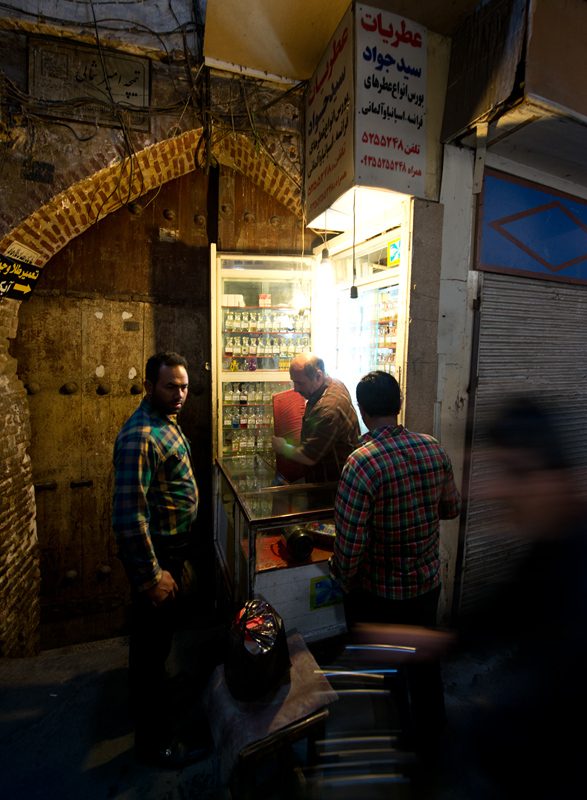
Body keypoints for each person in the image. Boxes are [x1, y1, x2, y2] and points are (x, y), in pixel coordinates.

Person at [445, 397, 587, 799]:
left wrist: (485, 728)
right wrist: (431, 641)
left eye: (515, 472)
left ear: (559, 478)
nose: (491, 491)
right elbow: (503, 610)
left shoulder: (576, 571)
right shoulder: (548, 546)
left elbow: (559, 731)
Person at [330, 371, 461, 753]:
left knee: (388, 672)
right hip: (426, 585)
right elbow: (451, 508)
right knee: (424, 665)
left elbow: (350, 548)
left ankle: (400, 740)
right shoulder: (433, 448)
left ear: (362, 409)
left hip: (380, 592)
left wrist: (343, 580)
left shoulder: (361, 464)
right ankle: (433, 733)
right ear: (399, 404)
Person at [112, 351, 208, 768]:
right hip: (160, 555)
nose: (180, 394)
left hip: (174, 548)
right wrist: (152, 577)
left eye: (184, 386)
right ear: (150, 386)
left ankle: (146, 706)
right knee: (151, 650)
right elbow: (128, 516)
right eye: (171, 387)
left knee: (156, 643)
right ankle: (156, 744)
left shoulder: (164, 422)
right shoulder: (140, 435)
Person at [271, 353, 360, 483]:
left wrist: (282, 447)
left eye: (299, 383)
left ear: (318, 376)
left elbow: (309, 457)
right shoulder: (334, 383)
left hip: (330, 485)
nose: (295, 389)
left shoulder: (327, 410)